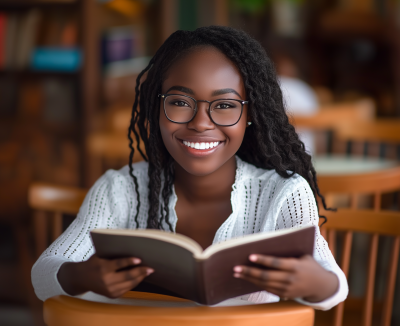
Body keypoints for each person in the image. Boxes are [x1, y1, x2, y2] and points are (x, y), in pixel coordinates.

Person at [32, 26, 347, 309]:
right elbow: (43, 273)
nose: (200, 123)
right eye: (180, 102)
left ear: (251, 115)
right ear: (158, 108)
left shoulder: (284, 194)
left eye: (224, 106)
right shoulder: (120, 190)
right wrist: (81, 275)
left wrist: (314, 283)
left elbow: (335, 283)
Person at [274, 52, 319, 154]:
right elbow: (318, 125)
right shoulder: (303, 88)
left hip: (271, 157)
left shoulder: (267, 87)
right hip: (307, 155)